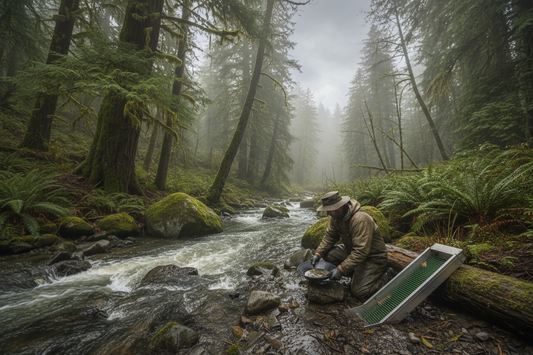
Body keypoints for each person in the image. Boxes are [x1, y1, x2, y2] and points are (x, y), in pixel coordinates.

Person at [309, 191, 393, 300]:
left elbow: (361, 252)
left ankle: (387, 276)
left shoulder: (360, 219)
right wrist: (318, 253)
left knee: (359, 292)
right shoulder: (336, 218)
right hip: (353, 252)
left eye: (329, 210)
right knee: (329, 254)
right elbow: (329, 236)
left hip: (373, 257)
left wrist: (341, 269)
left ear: (339, 207)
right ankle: (357, 276)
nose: (327, 214)